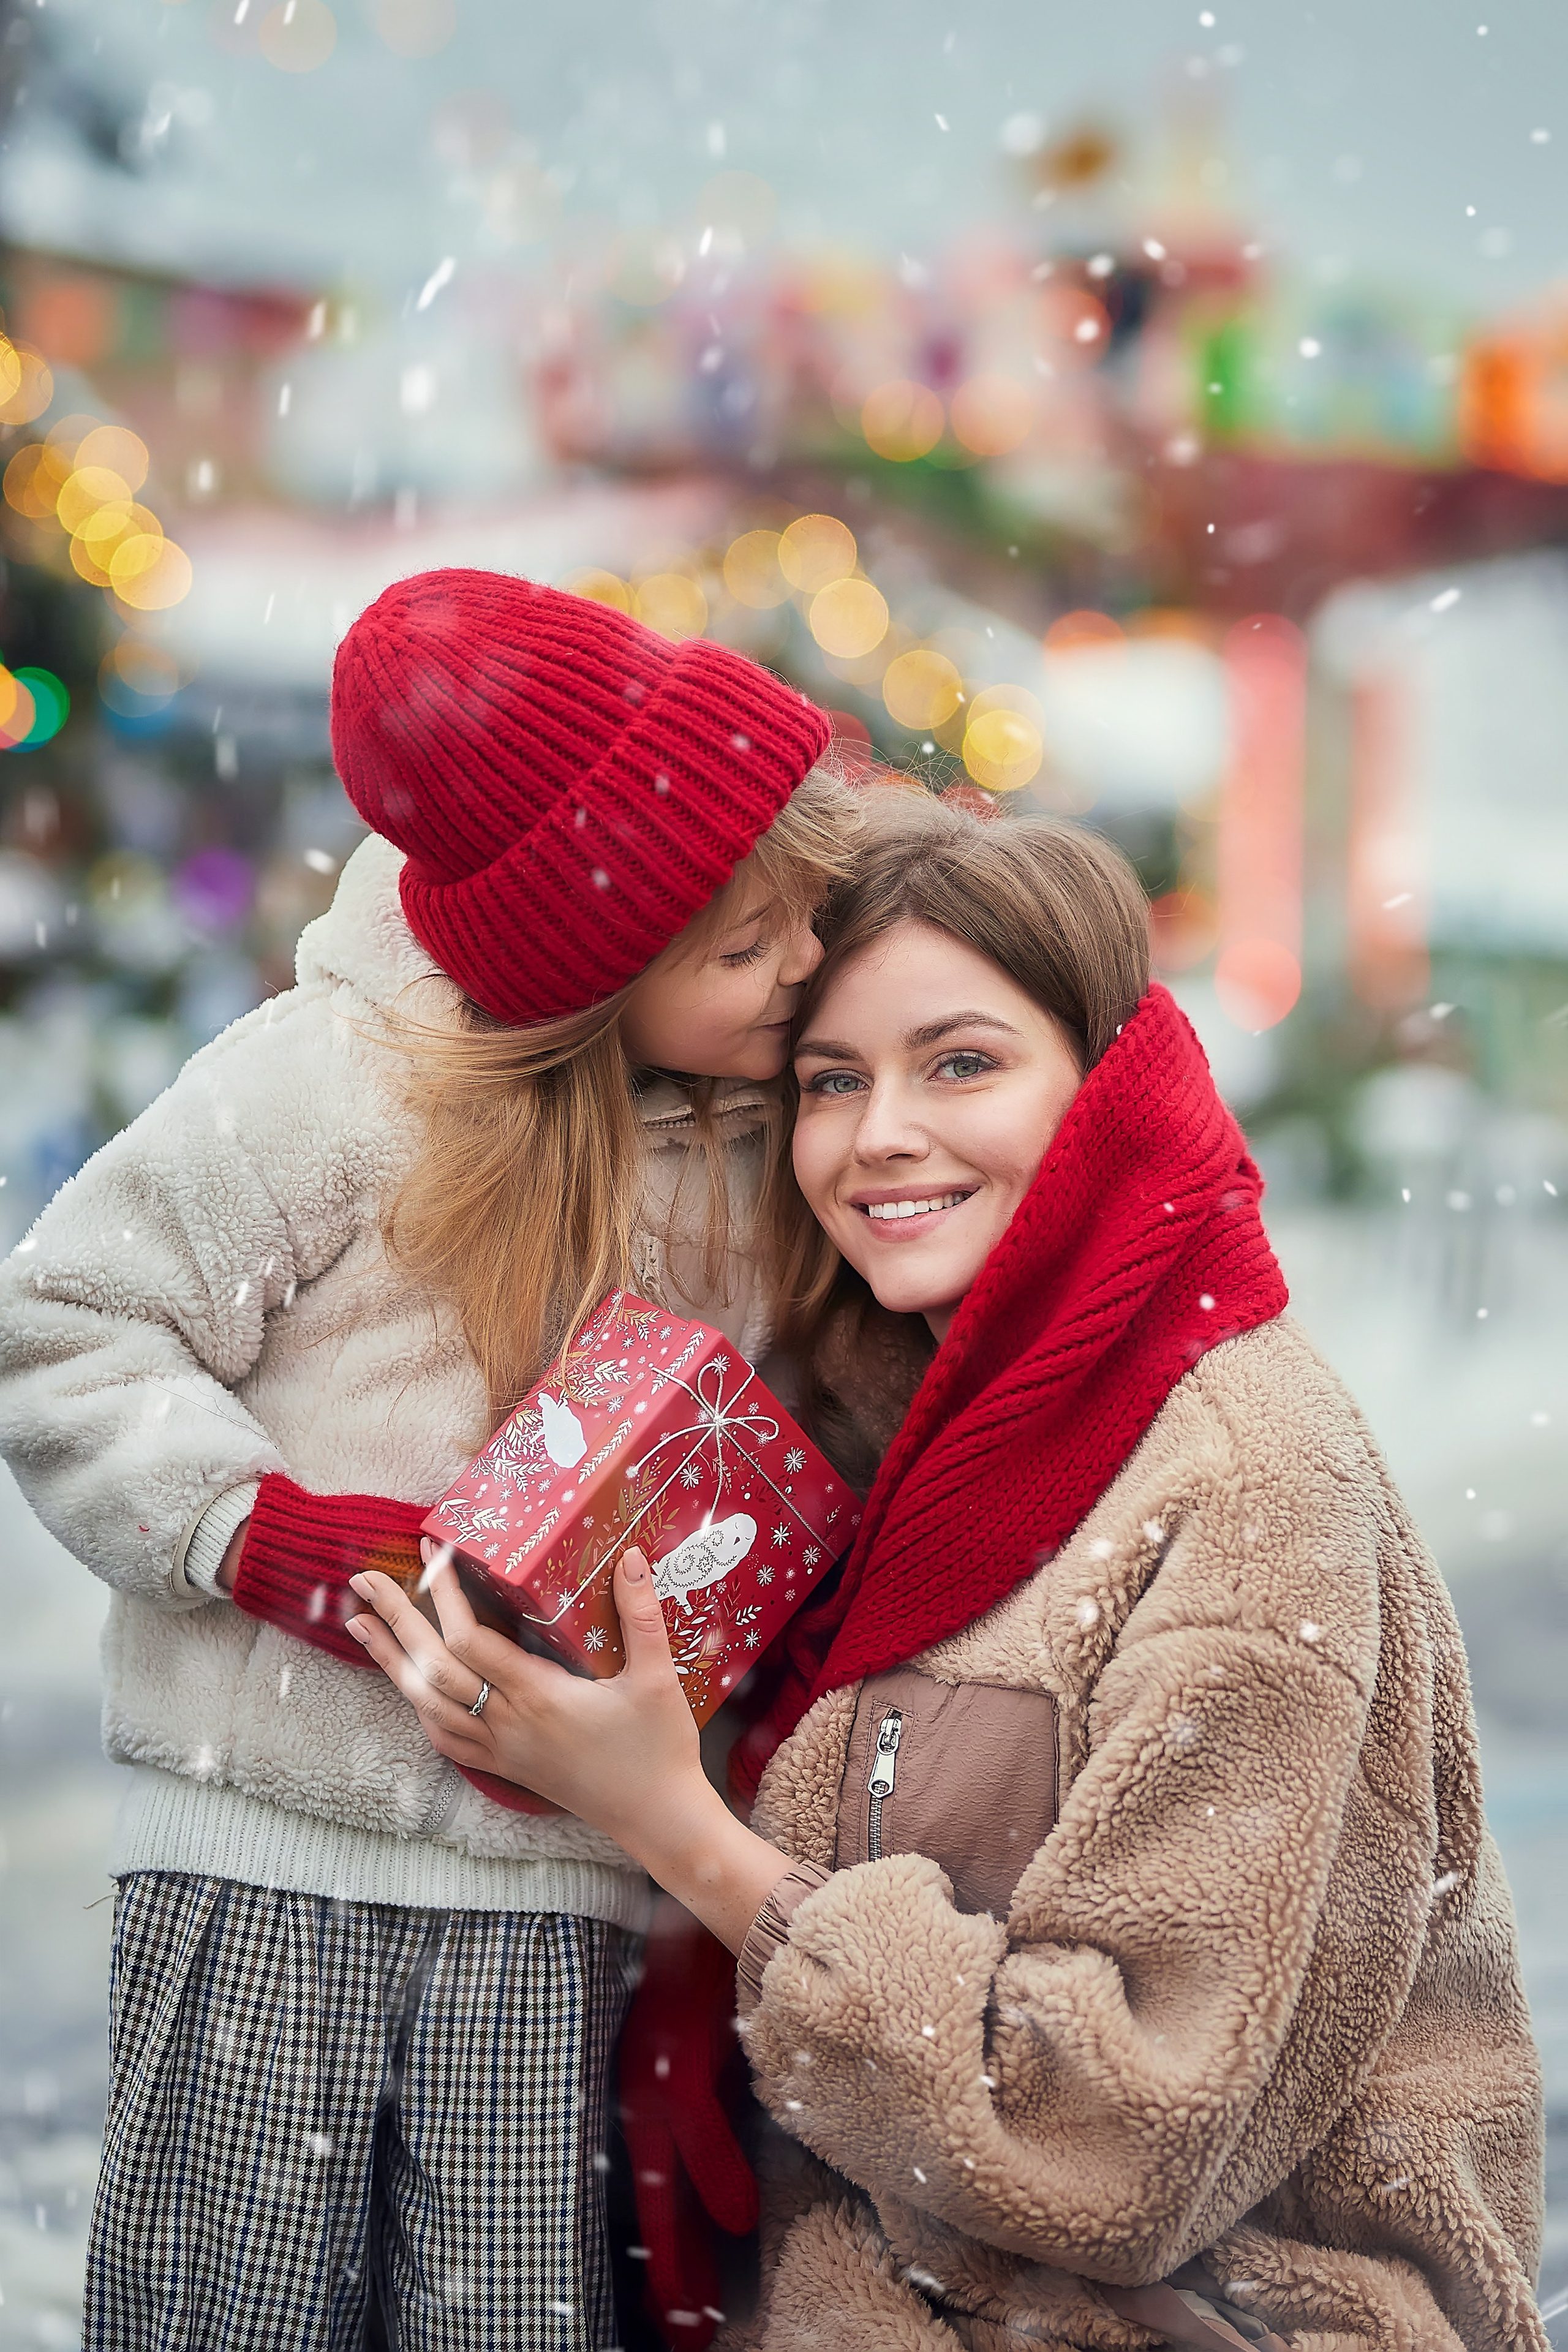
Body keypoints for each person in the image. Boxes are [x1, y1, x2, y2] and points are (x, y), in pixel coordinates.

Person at [348, 794, 1548, 2352]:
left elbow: (1104, 2145)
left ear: (1111, 1084)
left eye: (960, 1062)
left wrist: (671, 1823)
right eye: (830, 1081)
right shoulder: (896, 1431)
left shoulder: (1245, 1481)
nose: (876, 1136)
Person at [0, 568, 858, 2352]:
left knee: (505, 2318)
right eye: (740, 945)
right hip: (264, 1848)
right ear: (593, 959)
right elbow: (68, 1326)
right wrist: (259, 1533)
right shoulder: (329, 1084)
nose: (799, 969)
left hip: (550, 1889)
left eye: (803, 921)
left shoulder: (774, 1126)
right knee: (223, 2311)